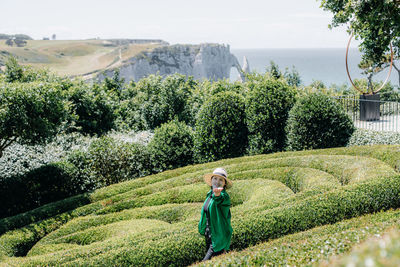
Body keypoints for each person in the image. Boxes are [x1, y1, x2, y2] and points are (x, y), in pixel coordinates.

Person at [198, 167, 233, 261]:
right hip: (210, 235)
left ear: (224, 183)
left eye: (221, 180)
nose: (217, 181)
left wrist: (217, 195)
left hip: (218, 238)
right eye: (215, 178)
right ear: (211, 180)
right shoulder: (209, 194)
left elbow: (220, 199)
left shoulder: (224, 196)